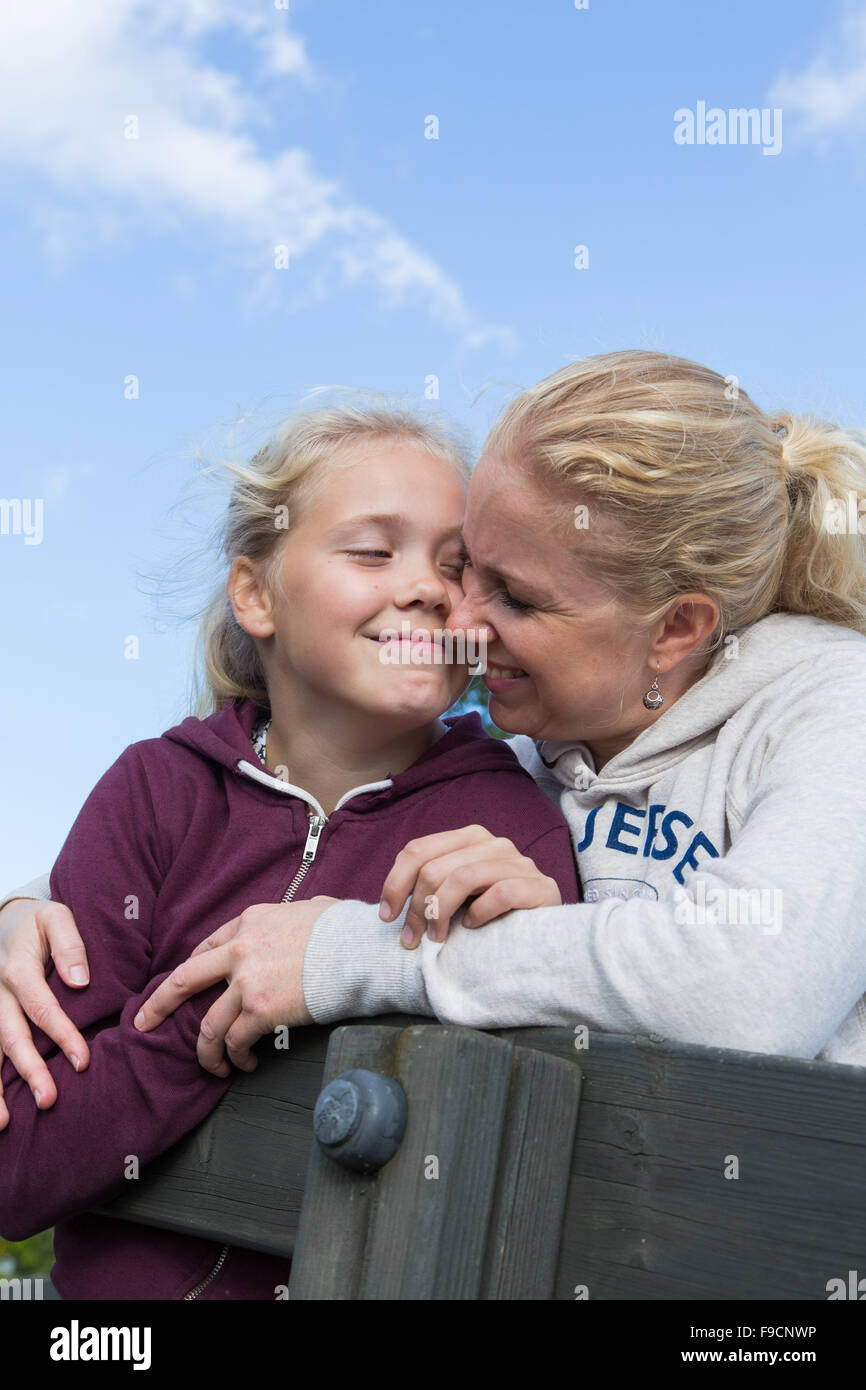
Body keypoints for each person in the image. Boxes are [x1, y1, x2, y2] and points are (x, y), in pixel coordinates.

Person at [4, 348, 866, 1119]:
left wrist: (349, 955)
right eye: (470, 569)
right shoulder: (527, 759)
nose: (457, 615)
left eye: (515, 597)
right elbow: (276, 819)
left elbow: (747, 987)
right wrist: (31, 910)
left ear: (677, 628)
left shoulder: (831, 706)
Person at [0, 403, 577, 1300]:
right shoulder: (157, 792)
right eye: (373, 551)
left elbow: (512, 1151)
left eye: (457, 565)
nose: (429, 587)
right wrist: (210, 1014)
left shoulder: (510, 831)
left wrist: (527, 951)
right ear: (256, 595)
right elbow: (18, 1163)